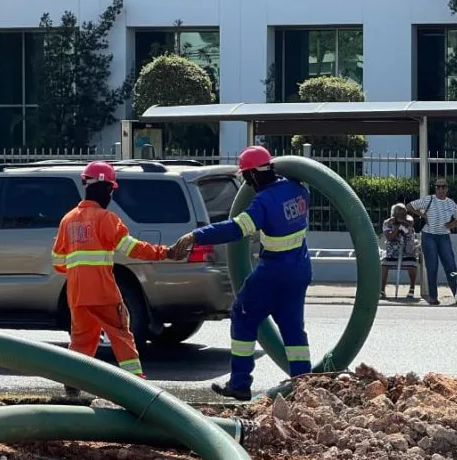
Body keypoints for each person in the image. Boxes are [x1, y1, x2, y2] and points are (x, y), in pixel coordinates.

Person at [169, 146, 312, 402]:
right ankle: (304, 387)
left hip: (272, 273)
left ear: (254, 175)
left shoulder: (264, 202)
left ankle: (240, 383)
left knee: (243, 317)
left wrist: (197, 235)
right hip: (300, 270)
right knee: (293, 330)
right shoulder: (299, 189)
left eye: (246, 177)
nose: (247, 183)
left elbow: (236, 228)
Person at [52, 161, 179, 398]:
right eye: (111, 189)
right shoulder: (106, 218)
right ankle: (137, 387)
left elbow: (58, 261)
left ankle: (72, 387)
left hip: (77, 295)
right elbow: (131, 248)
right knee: (121, 335)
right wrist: (165, 252)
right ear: (106, 188)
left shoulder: (67, 220)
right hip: (103, 293)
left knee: (81, 342)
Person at [409, 178, 457, 305]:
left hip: (444, 236)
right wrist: (423, 215)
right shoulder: (429, 199)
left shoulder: (451, 203)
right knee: (432, 267)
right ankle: (433, 297)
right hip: (429, 236)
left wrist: (452, 225)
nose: (440, 189)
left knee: (450, 266)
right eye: (437, 187)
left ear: (447, 189)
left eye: (443, 187)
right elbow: (409, 206)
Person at [381, 203, 418, 300]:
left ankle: (412, 289)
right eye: (400, 213)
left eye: (404, 213)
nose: (403, 215)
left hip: (408, 251)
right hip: (392, 252)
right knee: (384, 265)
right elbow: (390, 237)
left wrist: (400, 221)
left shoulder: (408, 219)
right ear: (394, 214)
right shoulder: (387, 223)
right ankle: (382, 291)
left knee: (412, 264)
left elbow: (410, 222)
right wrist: (397, 226)